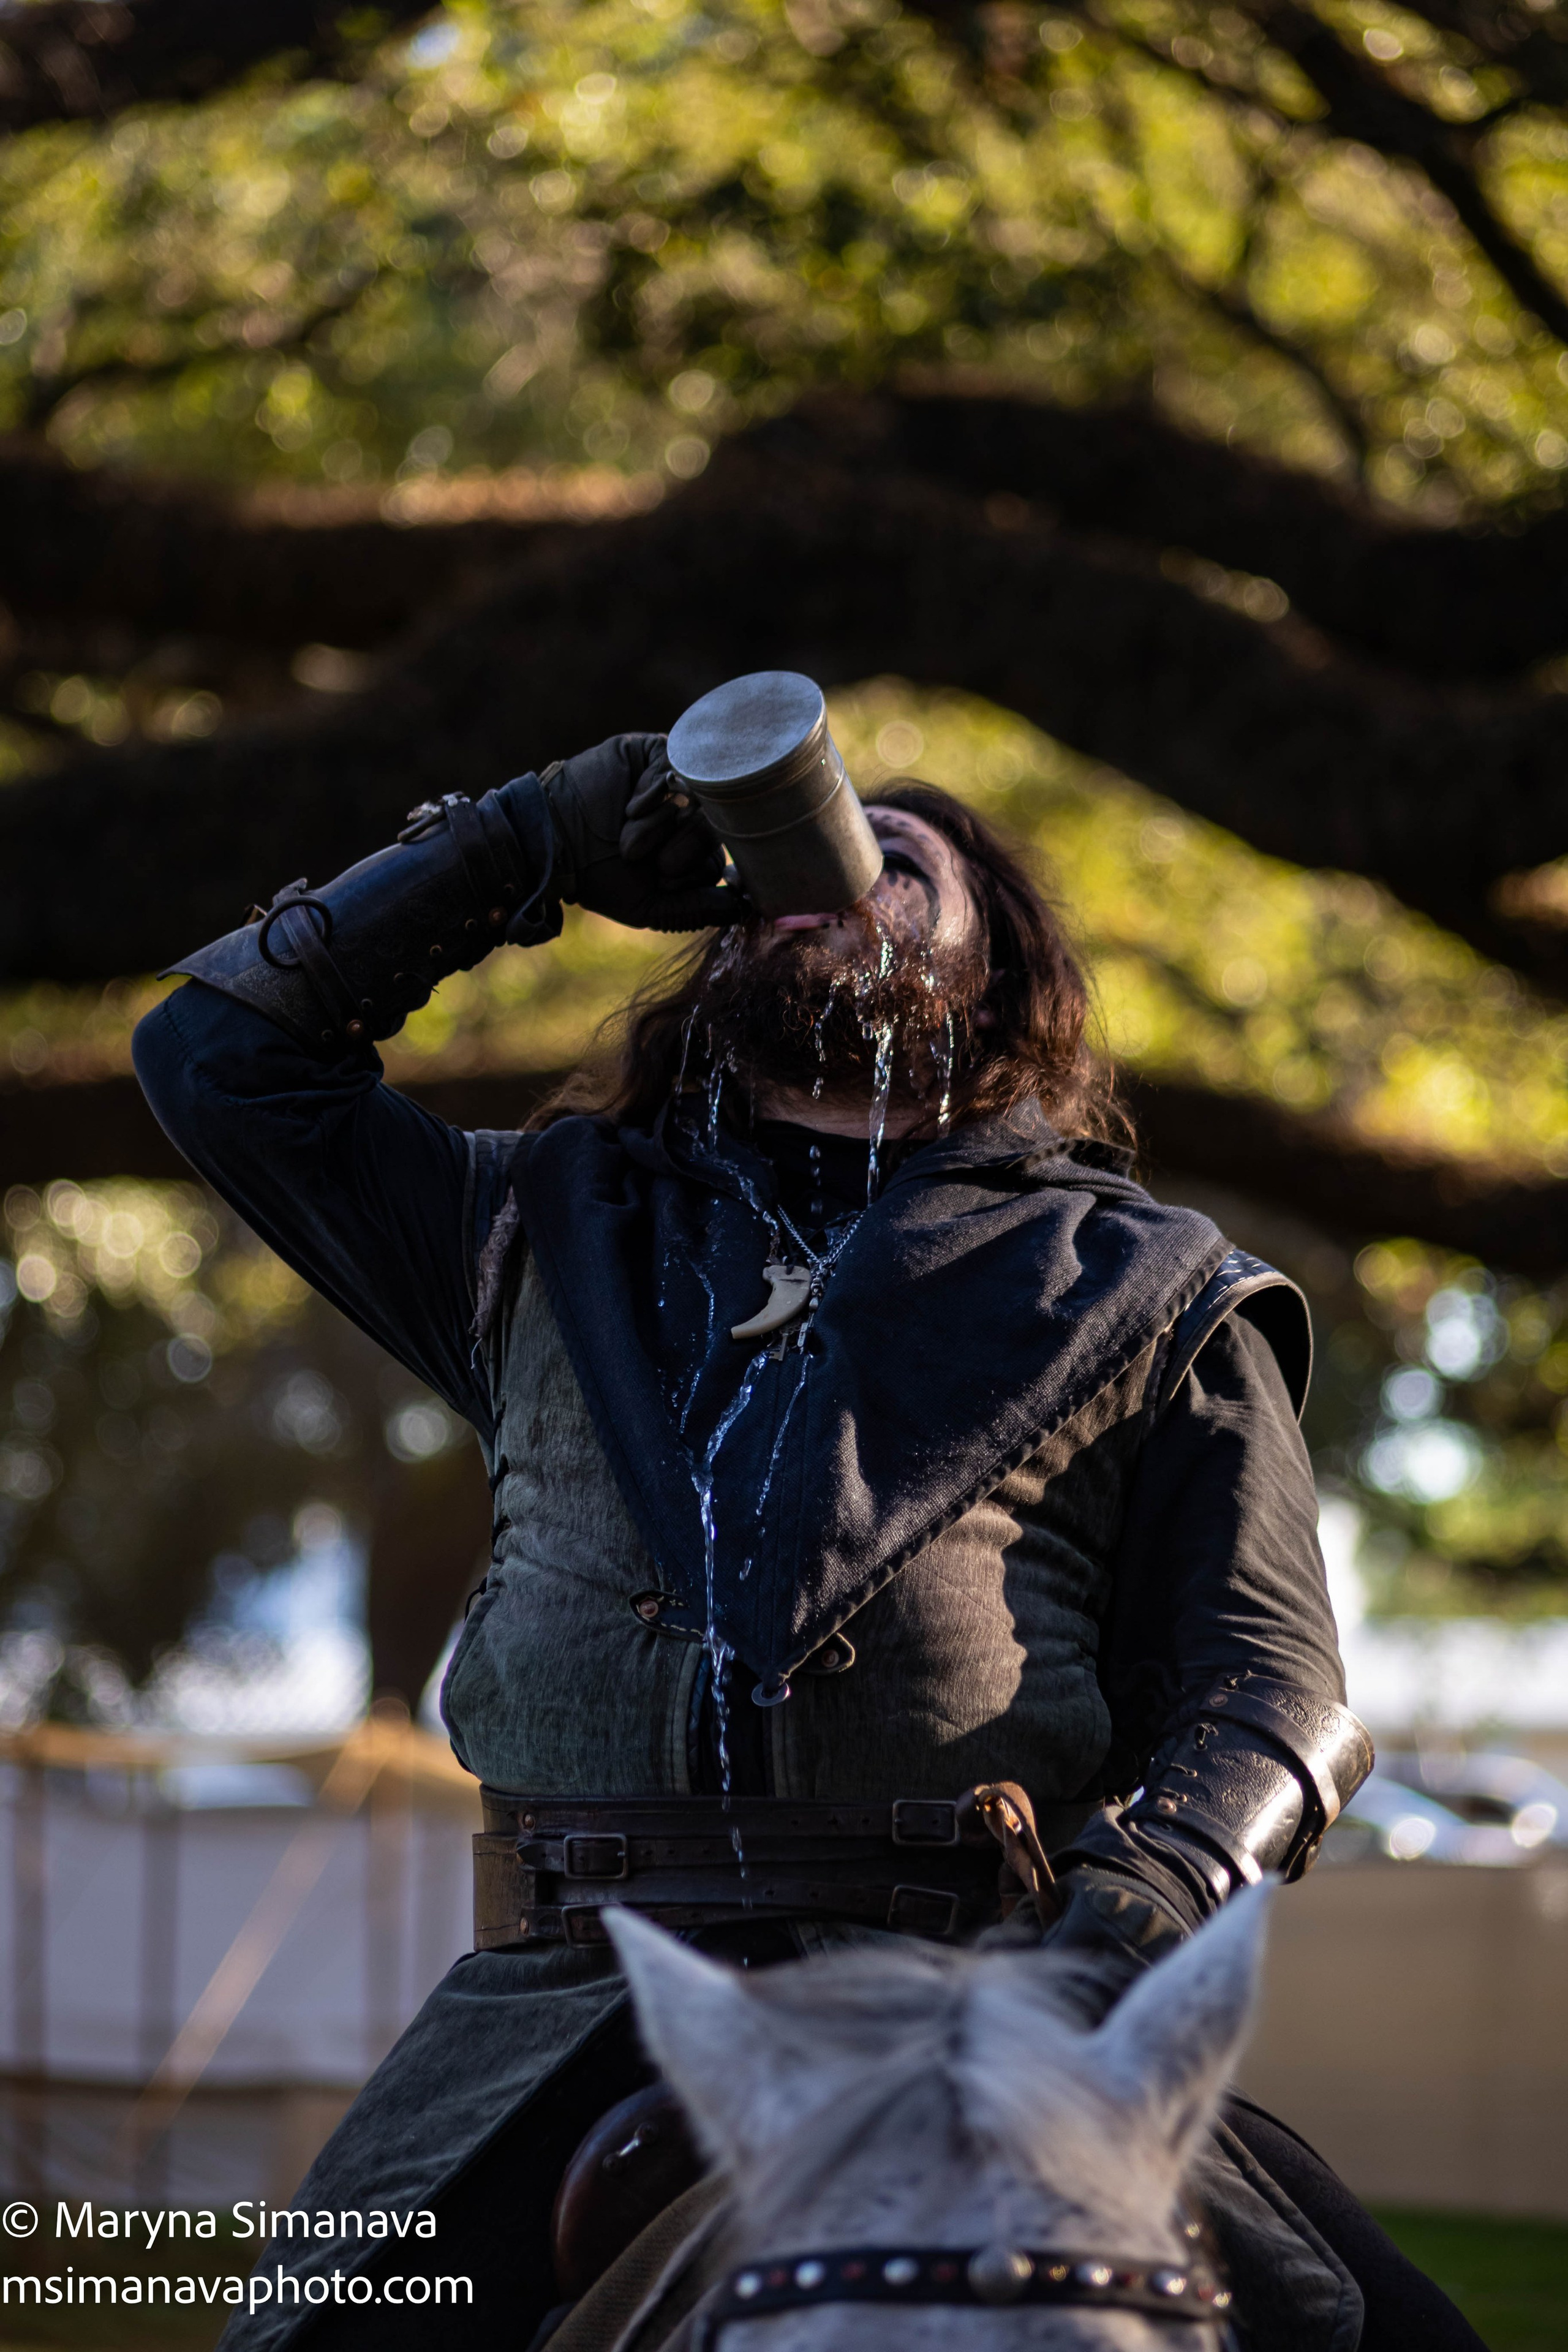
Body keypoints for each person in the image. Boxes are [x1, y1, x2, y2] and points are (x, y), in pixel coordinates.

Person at [134, 734, 1480, 2352]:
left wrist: (1122, 1934)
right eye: (802, 866)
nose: (844, 875)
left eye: (902, 861)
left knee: (1381, 2337)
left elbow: (1277, 1696)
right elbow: (218, 1059)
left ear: (998, 975)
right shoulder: (523, 1224)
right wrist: (520, 843)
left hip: (989, 1994)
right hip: (578, 2006)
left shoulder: (1152, 1288)